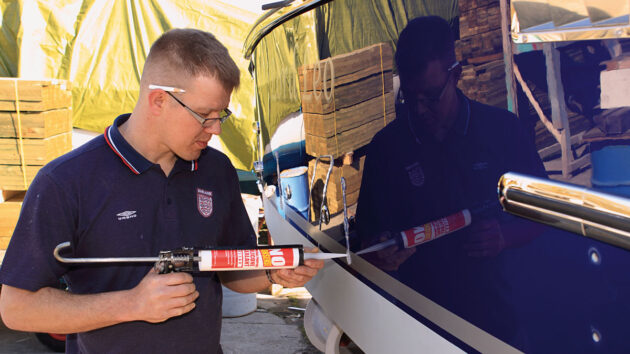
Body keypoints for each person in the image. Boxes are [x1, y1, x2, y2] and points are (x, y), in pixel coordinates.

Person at [0, 28, 323, 353]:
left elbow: (232, 272)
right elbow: (17, 308)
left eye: (221, 114)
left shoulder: (216, 170)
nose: (216, 129)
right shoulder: (66, 181)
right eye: (205, 116)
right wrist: (132, 304)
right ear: (159, 100)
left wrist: (274, 271)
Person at [354, 16, 546, 347]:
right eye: (409, 98)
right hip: (419, 326)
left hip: (499, 321)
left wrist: (504, 236)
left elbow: (545, 214)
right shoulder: (387, 148)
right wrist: (380, 253)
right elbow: (363, 244)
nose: (419, 109)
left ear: (455, 75)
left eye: (430, 96)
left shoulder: (503, 130)